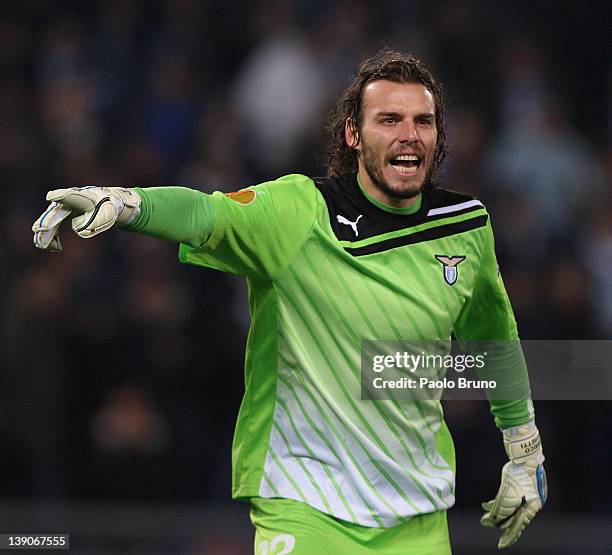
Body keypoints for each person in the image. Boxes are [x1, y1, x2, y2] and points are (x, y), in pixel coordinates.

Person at [33, 50, 547, 554]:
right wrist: (126, 202)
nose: (408, 135)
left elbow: (495, 338)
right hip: (306, 506)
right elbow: (206, 214)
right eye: (388, 119)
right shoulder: (300, 210)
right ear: (353, 133)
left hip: (418, 519)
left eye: (423, 121)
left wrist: (523, 450)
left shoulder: (465, 225)